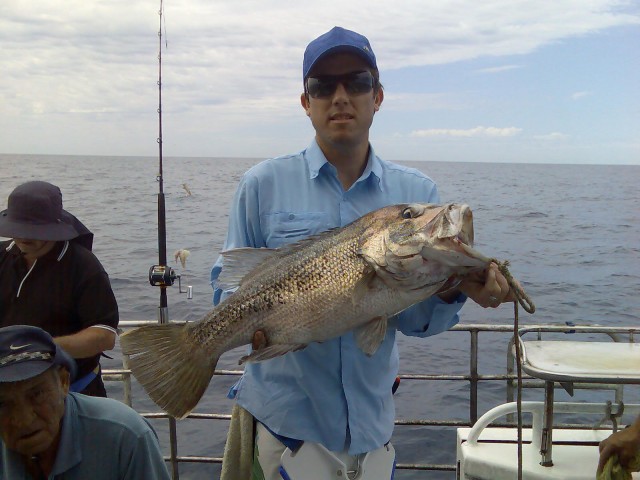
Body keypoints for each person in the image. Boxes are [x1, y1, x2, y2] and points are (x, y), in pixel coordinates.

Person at [211, 26, 514, 479]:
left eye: (356, 82)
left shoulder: (417, 192)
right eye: (322, 86)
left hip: (373, 435)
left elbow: (414, 322)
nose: (340, 97)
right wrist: (252, 328)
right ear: (305, 102)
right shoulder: (260, 185)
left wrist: (456, 291)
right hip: (284, 432)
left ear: (378, 97)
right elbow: (228, 292)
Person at [0, 325, 171, 479]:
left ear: (63, 382)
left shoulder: (126, 436)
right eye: (2, 404)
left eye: (37, 394)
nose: (24, 420)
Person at [0, 181, 119, 397]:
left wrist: (41, 348)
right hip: (8, 393)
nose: (24, 238)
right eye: (19, 230)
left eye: (35, 232)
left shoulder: (84, 266)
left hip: (72, 390)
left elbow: (104, 336)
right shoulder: (2, 256)